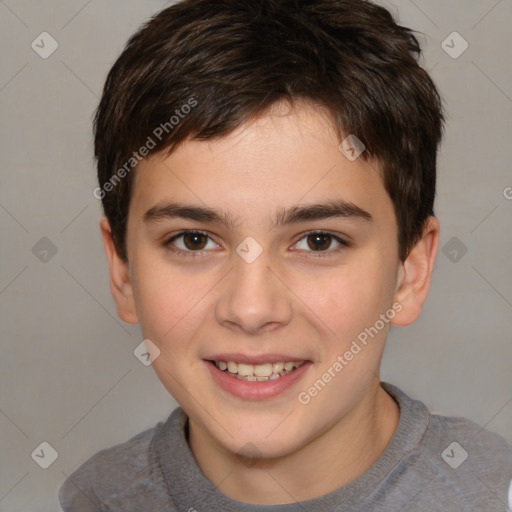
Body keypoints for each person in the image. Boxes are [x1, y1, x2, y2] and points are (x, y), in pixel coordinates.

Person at [59, 0, 512, 510]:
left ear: (410, 272)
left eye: (319, 241)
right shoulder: (93, 498)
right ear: (122, 270)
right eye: (193, 240)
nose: (252, 310)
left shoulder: (493, 493)